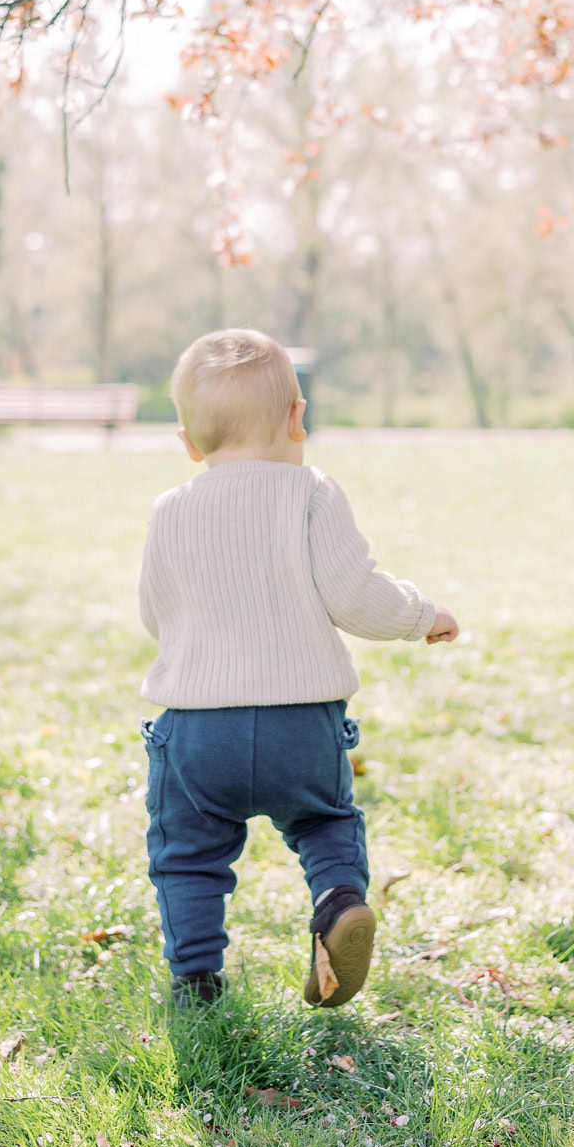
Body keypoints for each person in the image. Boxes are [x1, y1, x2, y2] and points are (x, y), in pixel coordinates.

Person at [137, 328, 459, 1009]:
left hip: (198, 734)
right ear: (297, 417)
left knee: (187, 856)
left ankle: (195, 980)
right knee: (324, 822)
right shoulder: (311, 492)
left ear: (189, 443)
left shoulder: (170, 510)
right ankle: (338, 900)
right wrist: (420, 615)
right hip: (301, 725)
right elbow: (354, 593)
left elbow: (154, 612)